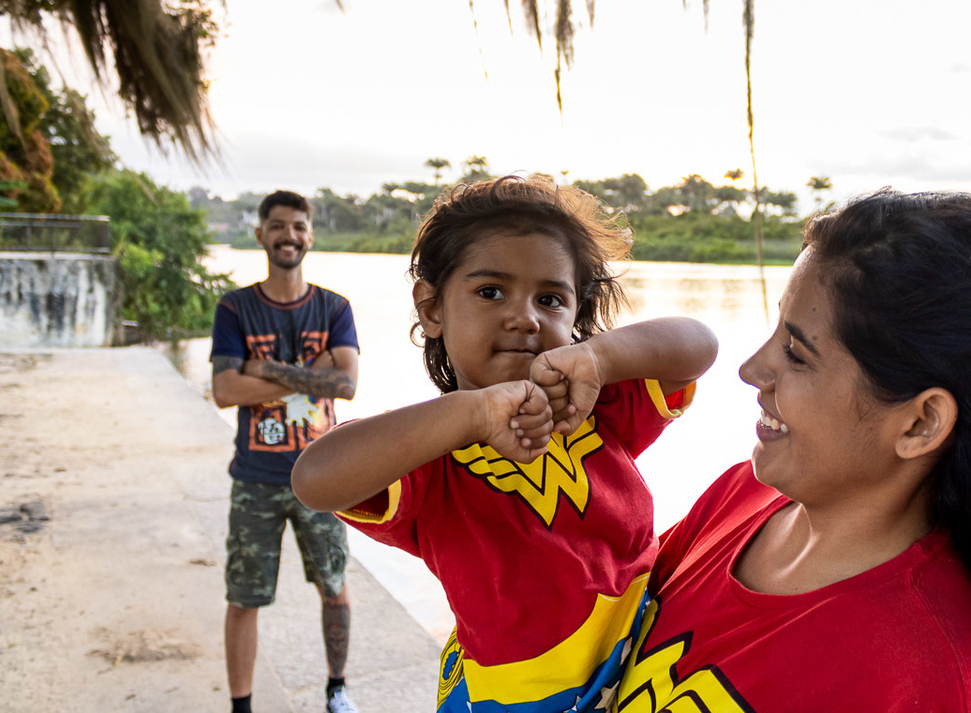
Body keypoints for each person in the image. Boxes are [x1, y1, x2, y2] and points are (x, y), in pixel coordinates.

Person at [614, 189, 971, 712]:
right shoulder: (738, 496)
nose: (750, 369)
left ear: (921, 423)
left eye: (797, 353)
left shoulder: (942, 687)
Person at [292, 174, 719, 712]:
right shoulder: (429, 452)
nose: (525, 317)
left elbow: (699, 345)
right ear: (432, 308)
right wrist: (477, 412)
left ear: (577, 317)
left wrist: (599, 358)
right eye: (490, 291)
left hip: (649, 662)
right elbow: (313, 479)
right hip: (522, 696)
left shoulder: (595, 406)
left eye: (551, 299)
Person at [210, 190, 362, 713]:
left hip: (324, 474)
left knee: (335, 587)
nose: (288, 235)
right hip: (255, 477)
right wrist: (308, 375)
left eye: (298, 226)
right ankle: (242, 706)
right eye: (278, 226)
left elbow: (345, 386)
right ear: (260, 234)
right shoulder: (235, 308)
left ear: (310, 234)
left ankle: (336, 690)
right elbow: (225, 392)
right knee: (243, 598)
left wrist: (261, 368)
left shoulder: (334, 307)